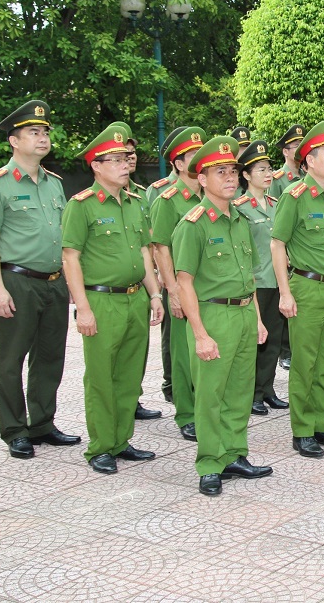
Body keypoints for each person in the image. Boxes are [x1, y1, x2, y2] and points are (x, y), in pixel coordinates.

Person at [0, 100, 80, 459]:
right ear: (13, 141)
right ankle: (14, 429)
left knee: (50, 356)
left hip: (53, 281)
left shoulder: (54, 184)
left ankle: (43, 423)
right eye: (33, 132)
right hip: (16, 280)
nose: (42, 137)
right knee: (10, 359)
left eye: (45, 132)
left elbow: (63, 238)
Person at [62, 124, 165, 474]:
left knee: (129, 374)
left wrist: (155, 294)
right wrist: (83, 308)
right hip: (102, 301)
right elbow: (70, 258)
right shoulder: (82, 206)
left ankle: (122, 440)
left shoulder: (136, 203)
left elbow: (144, 251)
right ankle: (101, 446)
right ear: (96, 165)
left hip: (136, 298)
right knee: (102, 377)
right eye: (116, 159)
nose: (125, 164)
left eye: (126, 158)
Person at [173, 136, 273, 496]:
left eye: (232, 171)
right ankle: (210, 462)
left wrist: (259, 319)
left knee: (239, 391)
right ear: (201, 179)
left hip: (245, 312)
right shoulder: (193, 224)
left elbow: (250, 276)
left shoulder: (241, 220)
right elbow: (184, 284)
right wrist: (199, 333)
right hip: (213, 316)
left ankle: (234, 453)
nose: (230, 178)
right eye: (220, 173)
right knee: (211, 393)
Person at [271, 122, 324, 459]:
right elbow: (278, 245)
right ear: (309, 160)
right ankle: (302, 430)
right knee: (305, 363)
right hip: (306, 287)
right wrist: (284, 293)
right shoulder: (295, 197)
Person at [149, 127, 206, 441]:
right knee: (183, 355)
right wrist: (171, 290)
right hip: (182, 288)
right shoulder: (168, 201)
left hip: (208, 290)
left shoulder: (209, 198)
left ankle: (206, 407)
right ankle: (186, 413)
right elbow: (160, 248)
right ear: (179, 164)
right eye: (193, 157)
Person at [234, 140, 290, 415]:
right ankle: (252, 393)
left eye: (269, 169)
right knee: (257, 339)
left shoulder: (275, 204)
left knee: (275, 339)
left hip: (277, 280)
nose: (268, 174)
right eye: (260, 170)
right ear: (245, 175)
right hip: (256, 282)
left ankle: (267, 390)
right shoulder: (240, 207)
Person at [117, 124, 162, 421]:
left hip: (139, 285)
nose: (130, 160)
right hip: (106, 292)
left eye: (131, 155)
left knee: (136, 352)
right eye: (122, 156)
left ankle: (131, 402)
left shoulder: (139, 196)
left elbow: (146, 244)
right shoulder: (84, 203)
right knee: (108, 363)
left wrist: (155, 288)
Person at [270, 123, 305, 372]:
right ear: (285, 151)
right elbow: (274, 220)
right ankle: (286, 351)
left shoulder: (309, 179)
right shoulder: (278, 181)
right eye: (295, 147)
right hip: (285, 253)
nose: (300, 150)